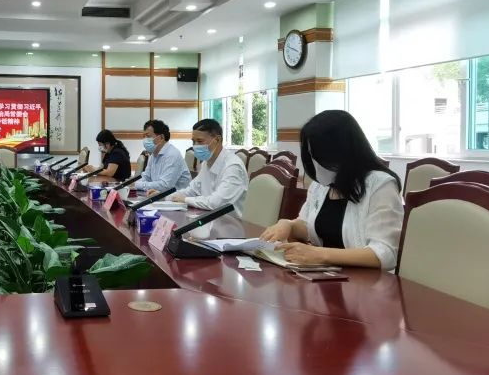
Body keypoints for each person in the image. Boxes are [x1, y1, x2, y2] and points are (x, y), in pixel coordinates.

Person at [259, 110, 404, 269]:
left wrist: (320, 255)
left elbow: (385, 253)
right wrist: (289, 225)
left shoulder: (380, 185)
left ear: (344, 151)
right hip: (326, 274)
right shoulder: (321, 186)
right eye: (312, 155)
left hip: (364, 279)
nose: (316, 164)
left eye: (321, 156)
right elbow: (308, 226)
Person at [168, 118, 247, 210]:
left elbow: (216, 203)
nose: (195, 146)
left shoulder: (233, 166)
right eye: (193, 141)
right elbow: (191, 190)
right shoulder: (206, 163)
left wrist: (185, 200)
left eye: (200, 141)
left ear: (217, 140)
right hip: (207, 215)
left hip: (228, 218)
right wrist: (167, 197)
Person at [134, 120, 191, 193]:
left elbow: (165, 186)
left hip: (178, 198)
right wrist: (135, 184)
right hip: (160, 195)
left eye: (148, 136)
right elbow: (146, 176)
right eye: (144, 136)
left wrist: (138, 185)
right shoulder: (153, 154)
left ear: (161, 137)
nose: (145, 140)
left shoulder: (172, 154)